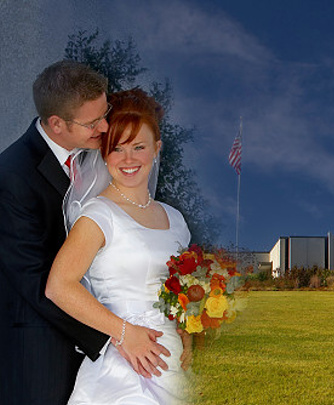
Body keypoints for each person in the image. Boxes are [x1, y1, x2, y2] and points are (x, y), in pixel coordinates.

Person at [0, 60, 170, 404]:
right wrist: (117, 335)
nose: (105, 126)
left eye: (104, 113)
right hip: (40, 355)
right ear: (56, 124)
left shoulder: (95, 156)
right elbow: (35, 282)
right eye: (94, 122)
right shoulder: (11, 176)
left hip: (108, 343)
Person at [45, 88, 192, 404]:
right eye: (118, 148)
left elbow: (178, 292)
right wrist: (124, 333)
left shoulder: (176, 219)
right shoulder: (99, 214)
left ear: (156, 149)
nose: (128, 159)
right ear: (104, 153)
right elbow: (58, 286)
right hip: (123, 364)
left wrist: (188, 332)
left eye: (139, 147)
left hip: (172, 363)